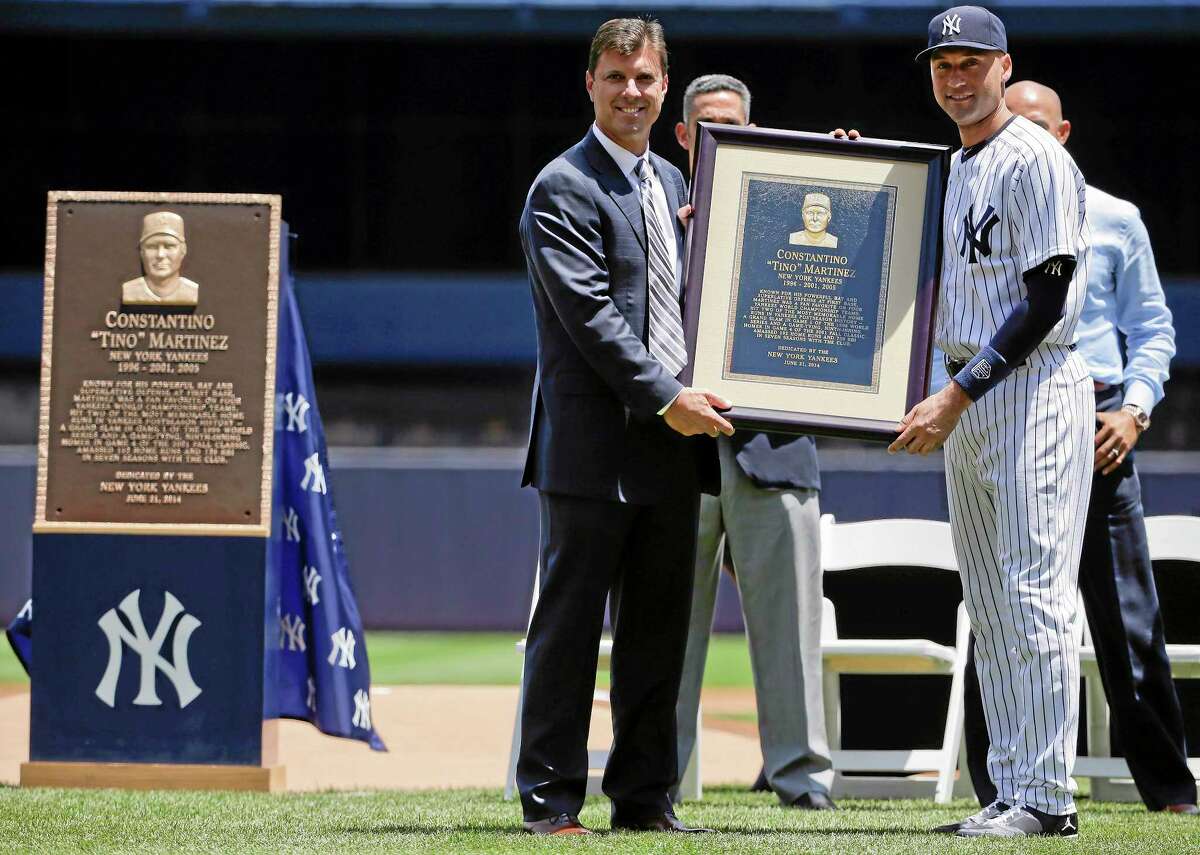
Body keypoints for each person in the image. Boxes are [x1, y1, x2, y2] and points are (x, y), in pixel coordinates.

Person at [953, 79, 1195, 816]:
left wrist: (1136, 411)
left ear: (1061, 135)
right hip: (999, 403)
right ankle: (1002, 785)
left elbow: (1153, 329)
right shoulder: (972, 192)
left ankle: (1166, 788)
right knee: (1000, 602)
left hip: (1098, 423)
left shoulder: (1117, 219)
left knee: (1123, 616)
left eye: (1033, 126)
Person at [515, 17, 733, 836]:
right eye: (616, 77)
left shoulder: (678, 185)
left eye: (645, 78)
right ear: (590, 84)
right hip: (592, 448)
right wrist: (668, 395)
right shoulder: (561, 186)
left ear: (664, 85)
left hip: (670, 452)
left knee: (655, 637)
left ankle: (645, 800)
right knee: (568, 633)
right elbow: (592, 319)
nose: (632, 91)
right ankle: (550, 801)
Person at [884, 6, 1093, 838]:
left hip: (1029, 386)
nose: (957, 77)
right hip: (970, 392)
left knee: (1035, 593)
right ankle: (1011, 790)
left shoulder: (1033, 157)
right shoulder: (960, 165)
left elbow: (1046, 301)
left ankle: (1047, 797)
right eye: (943, 65)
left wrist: (959, 391)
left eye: (972, 61)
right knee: (993, 601)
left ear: (1006, 66)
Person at [670, 73, 834, 812]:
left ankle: (804, 783)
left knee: (792, 633)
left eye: (733, 122)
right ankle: (656, 782)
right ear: (684, 134)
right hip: (672, 454)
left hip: (773, 445)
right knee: (663, 632)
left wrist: (847, 183)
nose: (719, 132)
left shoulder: (791, 203)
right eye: (706, 124)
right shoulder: (652, 207)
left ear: (755, 129)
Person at [121, 211, 199, 305]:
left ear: (183, 250)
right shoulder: (130, 291)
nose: (160, 255)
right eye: (152, 247)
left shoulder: (191, 291)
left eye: (169, 246)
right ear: (142, 252)